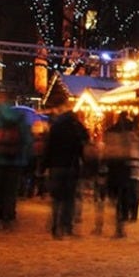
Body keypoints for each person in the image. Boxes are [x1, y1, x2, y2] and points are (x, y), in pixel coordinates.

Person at [0, 89, 33, 230]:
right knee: (10, 190)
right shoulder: (20, 117)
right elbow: (27, 140)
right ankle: (7, 218)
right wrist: (25, 156)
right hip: (15, 159)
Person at [44, 100, 90, 238]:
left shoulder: (56, 126)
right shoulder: (76, 126)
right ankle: (67, 226)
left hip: (56, 165)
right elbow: (85, 142)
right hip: (71, 165)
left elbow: (49, 147)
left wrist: (44, 165)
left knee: (57, 197)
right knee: (69, 198)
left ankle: (55, 226)